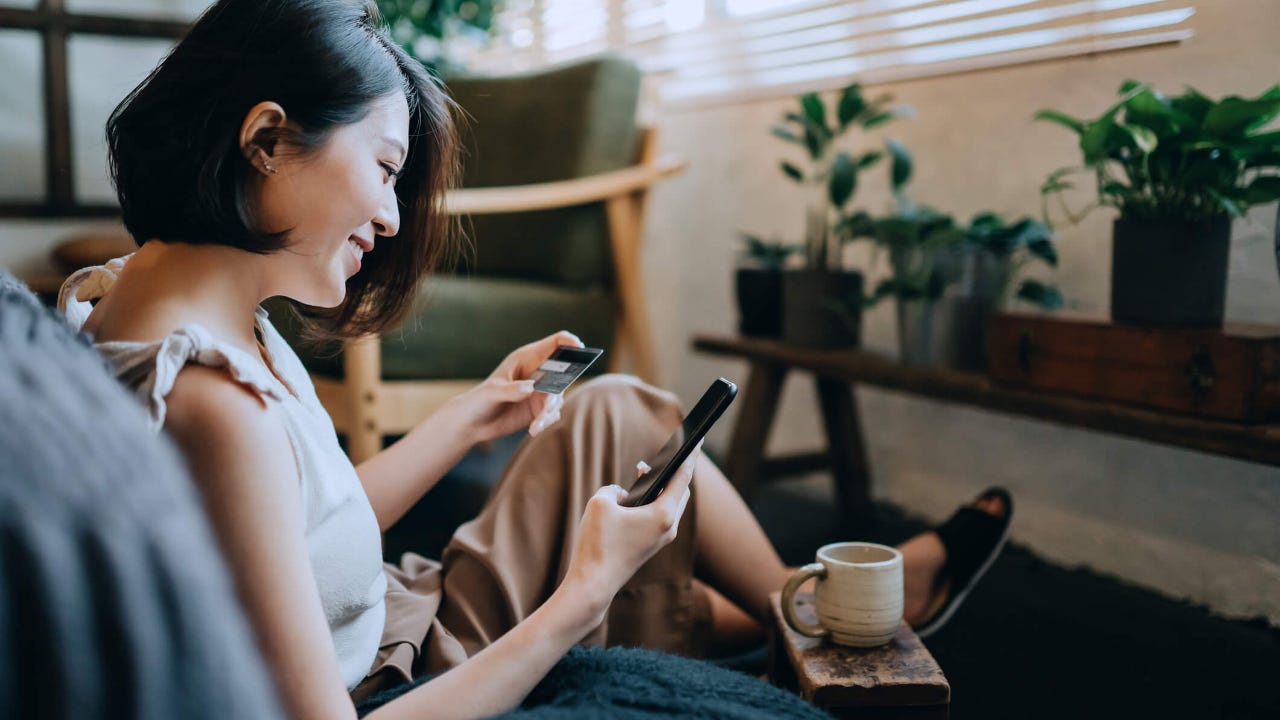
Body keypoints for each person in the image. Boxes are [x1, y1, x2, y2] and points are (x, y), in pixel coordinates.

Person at [57, 1, 1013, 718]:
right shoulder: (214, 405)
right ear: (266, 140)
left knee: (618, 412)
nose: (391, 220)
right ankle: (825, 621)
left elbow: (304, 521)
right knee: (630, 463)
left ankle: (798, 607)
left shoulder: (148, 303)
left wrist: (472, 413)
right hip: (408, 665)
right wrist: (582, 591)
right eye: (386, 169)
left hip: (395, 603)